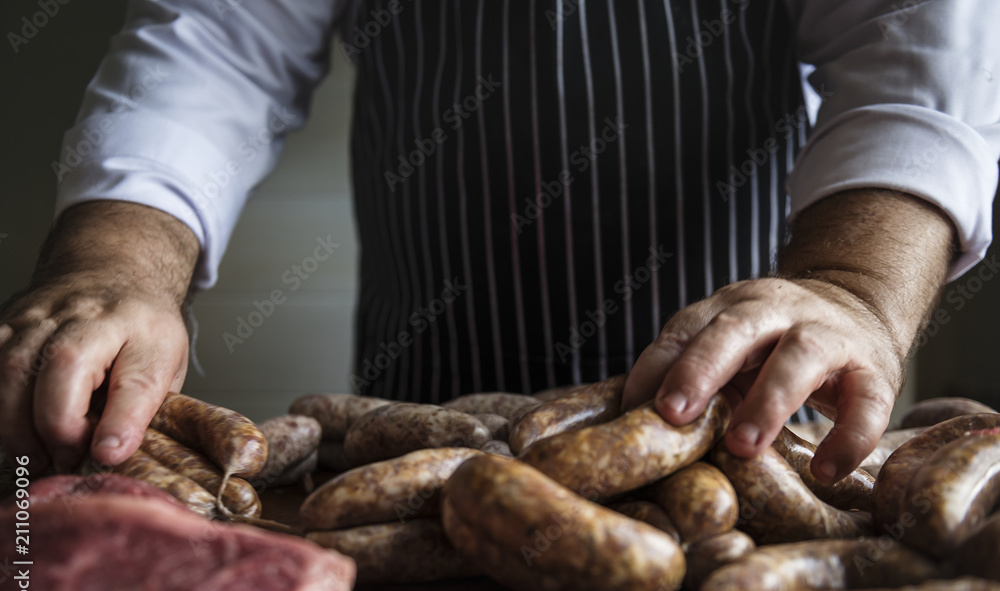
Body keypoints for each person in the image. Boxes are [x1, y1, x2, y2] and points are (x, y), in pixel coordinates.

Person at [1, 0, 998, 485]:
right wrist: (115, 262)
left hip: (757, 433)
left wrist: (850, 285)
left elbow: (912, 53)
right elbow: (214, 44)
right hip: (417, 431)